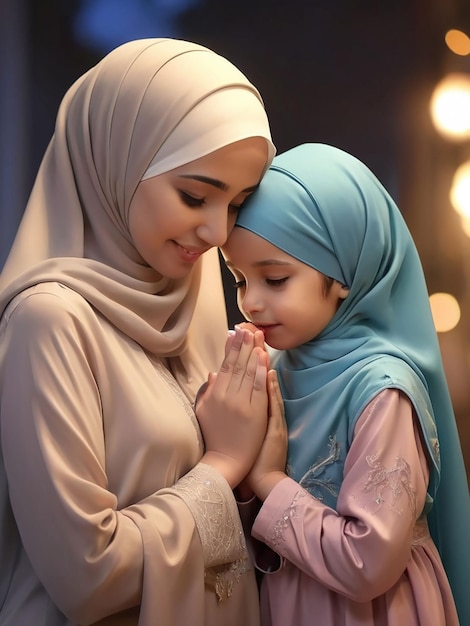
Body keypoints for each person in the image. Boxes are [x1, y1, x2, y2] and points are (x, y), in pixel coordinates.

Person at [0, 38, 279, 626]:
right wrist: (224, 464)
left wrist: (259, 477)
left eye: (238, 206)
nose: (215, 232)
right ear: (116, 161)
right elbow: (87, 576)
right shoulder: (50, 321)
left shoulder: (195, 301)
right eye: (195, 195)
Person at [221, 143, 470, 626]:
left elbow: (370, 561)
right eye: (238, 280)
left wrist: (269, 483)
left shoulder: (382, 388)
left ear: (344, 273)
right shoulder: (271, 366)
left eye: (274, 279)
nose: (250, 302)